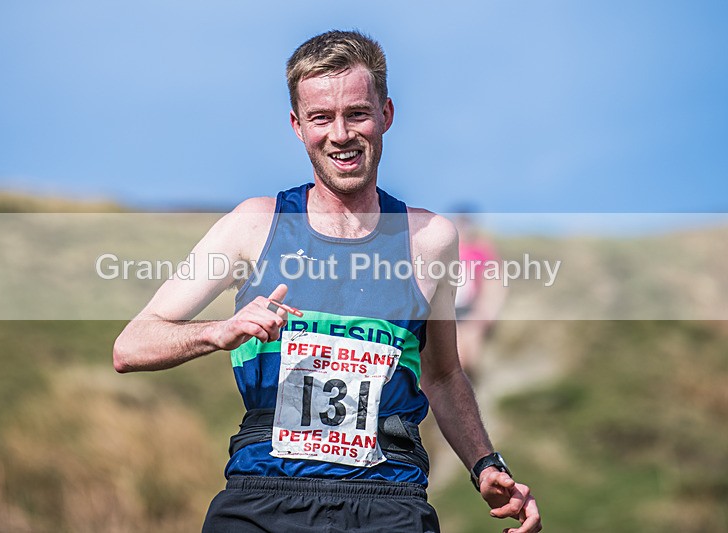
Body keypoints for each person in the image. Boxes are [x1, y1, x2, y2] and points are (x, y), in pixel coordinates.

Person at [113, 30, 541, 533]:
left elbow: (443, 376)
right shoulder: (254, 225)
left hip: (389, 503)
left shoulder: (430, 239)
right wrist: (217, 331)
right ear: (298, 126)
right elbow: (131, 345)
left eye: (357, 113)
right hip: (263, 497)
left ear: (386, 114)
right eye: (321, 117)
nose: (341, 134)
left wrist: (486, 464)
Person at [454, 210, 508, 383]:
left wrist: (488, 311)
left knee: (471, 359)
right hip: (448, 309)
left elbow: (495, 282)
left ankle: (472, 391)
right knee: (458, 359)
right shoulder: (445, 248)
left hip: (471, 309)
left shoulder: (480, 250)